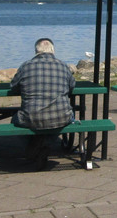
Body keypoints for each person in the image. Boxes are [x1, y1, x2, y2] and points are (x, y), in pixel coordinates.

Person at [10, 37, 76, 169]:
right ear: (53, 50)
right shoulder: (63, 66)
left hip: (31, 117)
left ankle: (35, 144)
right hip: (61, 116)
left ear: (36, 51)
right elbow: (72, 86)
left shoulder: (26, 66)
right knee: (61, 118)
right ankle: (46, 142)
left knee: (14, 121)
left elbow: (13, 86)